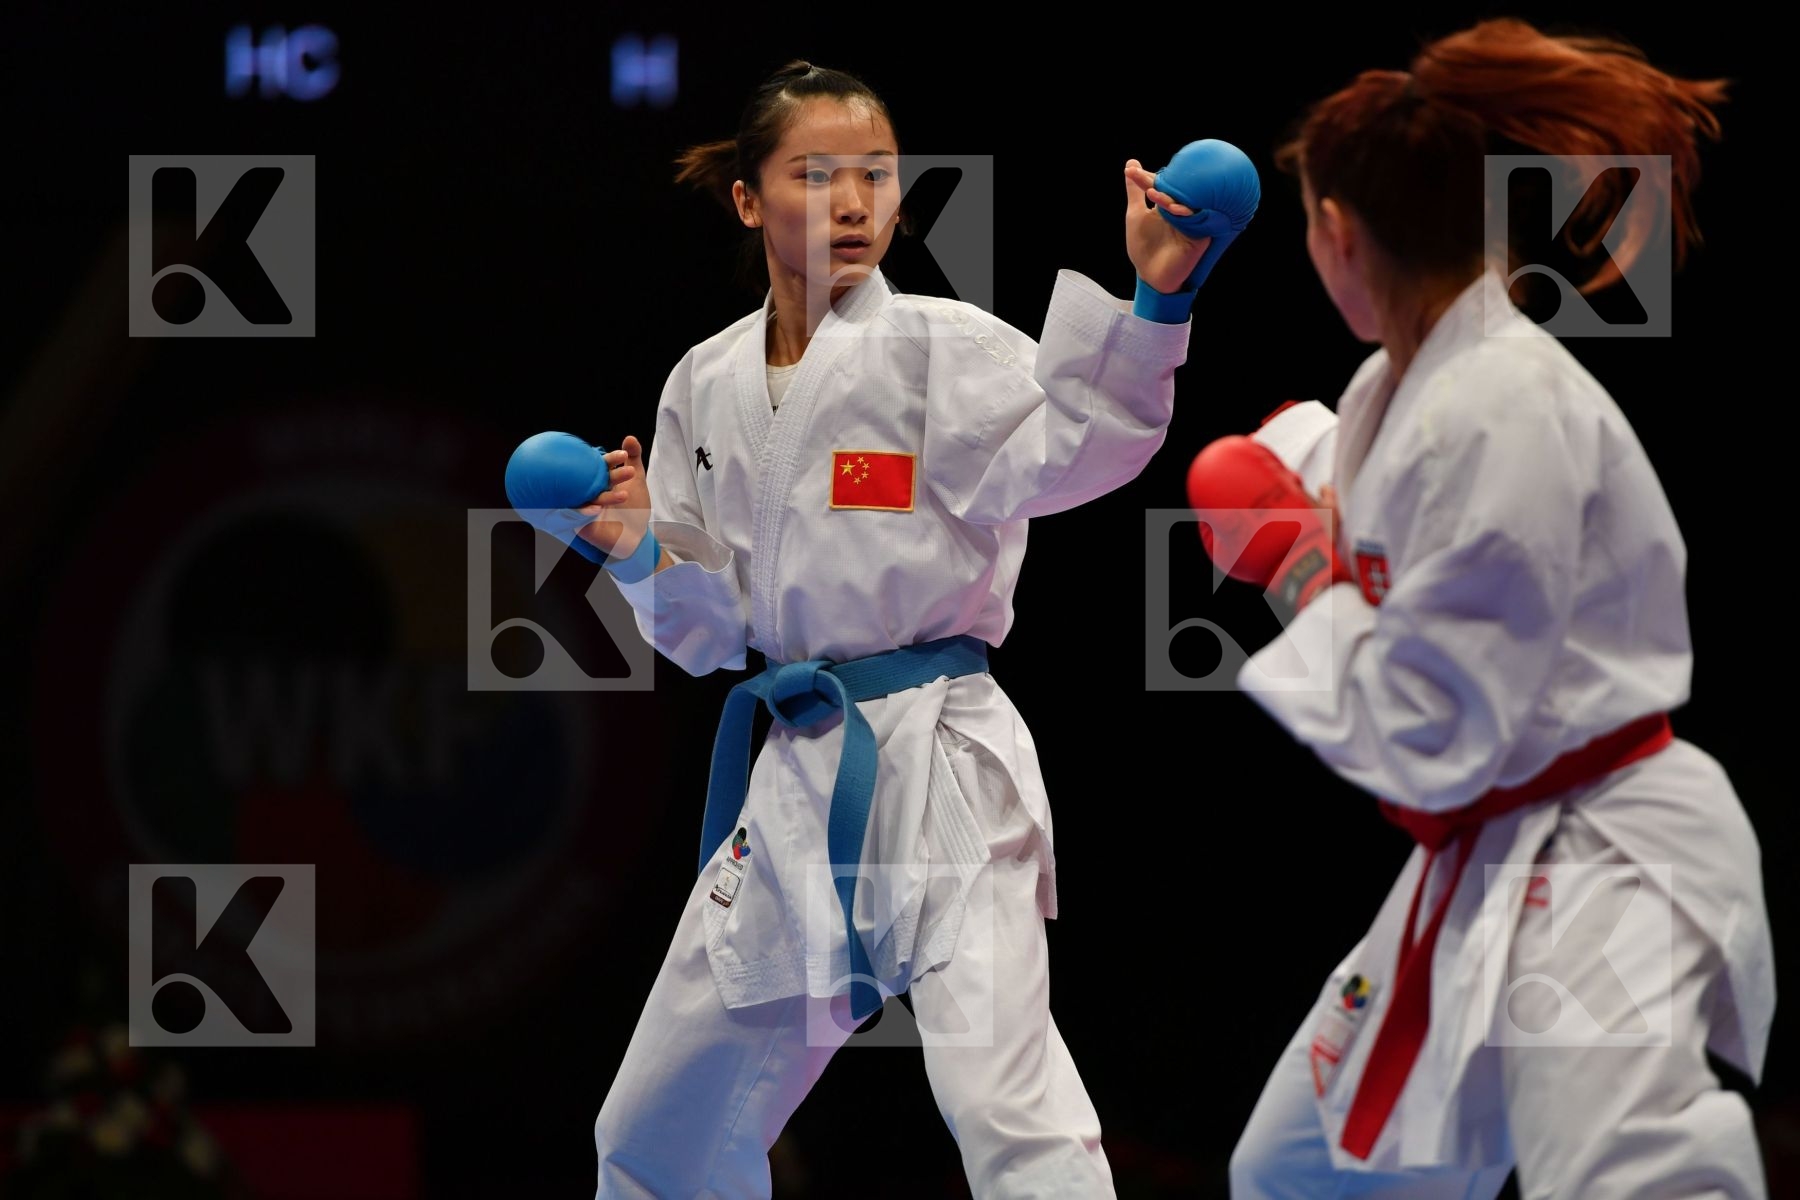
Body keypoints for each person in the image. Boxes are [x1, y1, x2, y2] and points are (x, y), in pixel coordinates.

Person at [567, 59, 1250, 1198]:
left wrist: (1158, 303)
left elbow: (1084, 442)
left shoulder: (944, 345)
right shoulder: (704, 381)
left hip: (941, 759)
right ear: (748, 198)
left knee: (1006, 1109)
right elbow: (706, 629)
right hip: (793, 770)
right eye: (816, 174)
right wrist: (640, 547)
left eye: (875, 175)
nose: (852, 201)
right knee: (653, 1132)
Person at [1184, 18, 1776, 1199]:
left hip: (1606, 849)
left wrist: (1299, 566)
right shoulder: (1401, 384)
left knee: (1626, 1177)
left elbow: (1437, 733)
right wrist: (1294, 475)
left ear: (1338, 234)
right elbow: (1384, 514)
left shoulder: (1504, 408)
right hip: (1492, 851)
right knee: (1299, 1173)